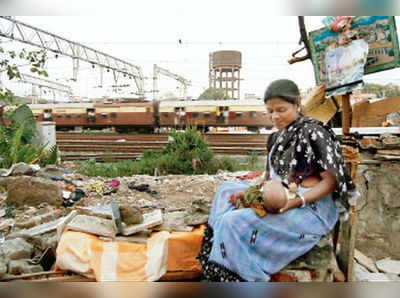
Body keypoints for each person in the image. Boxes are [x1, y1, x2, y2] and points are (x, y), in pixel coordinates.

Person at [197, 79, 358, 282]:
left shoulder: (314, 132)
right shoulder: (275, 138)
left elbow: (331, 182)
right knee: (225, 190)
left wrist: (297, 200)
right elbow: (268, 179)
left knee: (232, 222)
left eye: (281, 109)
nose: (275, 116)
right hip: (283, 195)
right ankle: (218, 257)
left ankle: (240, 277)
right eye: (270, 111)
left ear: (297, 104)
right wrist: (249, 195)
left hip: (310, 207)